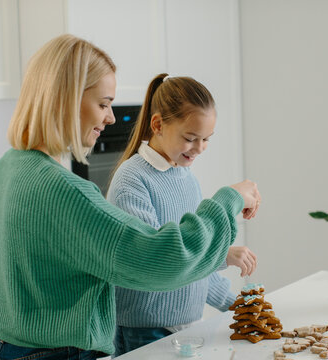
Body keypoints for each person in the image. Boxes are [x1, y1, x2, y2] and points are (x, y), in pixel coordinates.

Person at [0, 34, 261, 360]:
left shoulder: (5, 170)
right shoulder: (63, 191)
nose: (110, 118)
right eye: (103, 103)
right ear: (65, 99)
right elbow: (158, 259)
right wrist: (229, 199)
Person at [106, 73, 258, 355]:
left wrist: (236, 306)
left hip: (188, 327)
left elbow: (192, 262)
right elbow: (158, 260)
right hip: (143, 331)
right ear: (158, 125)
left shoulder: (186, 178)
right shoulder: (132, 180)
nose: (199, 148)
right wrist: (221, 254)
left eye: (206, 139)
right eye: (191, 138)